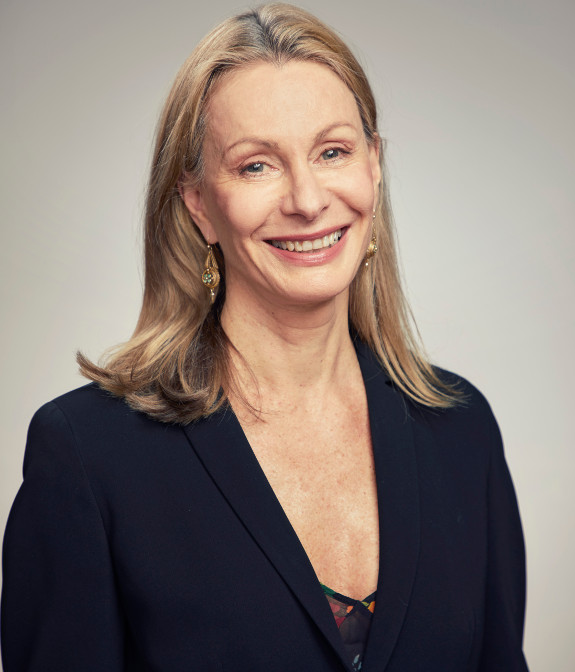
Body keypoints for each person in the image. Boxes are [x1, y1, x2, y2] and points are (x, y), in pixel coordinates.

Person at [1, 4, 529, 671]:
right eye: (256, 165)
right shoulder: (87, 455)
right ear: (198, 203)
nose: (307, 200)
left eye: (332, 152)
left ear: (373, 166)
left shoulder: (462, 430)